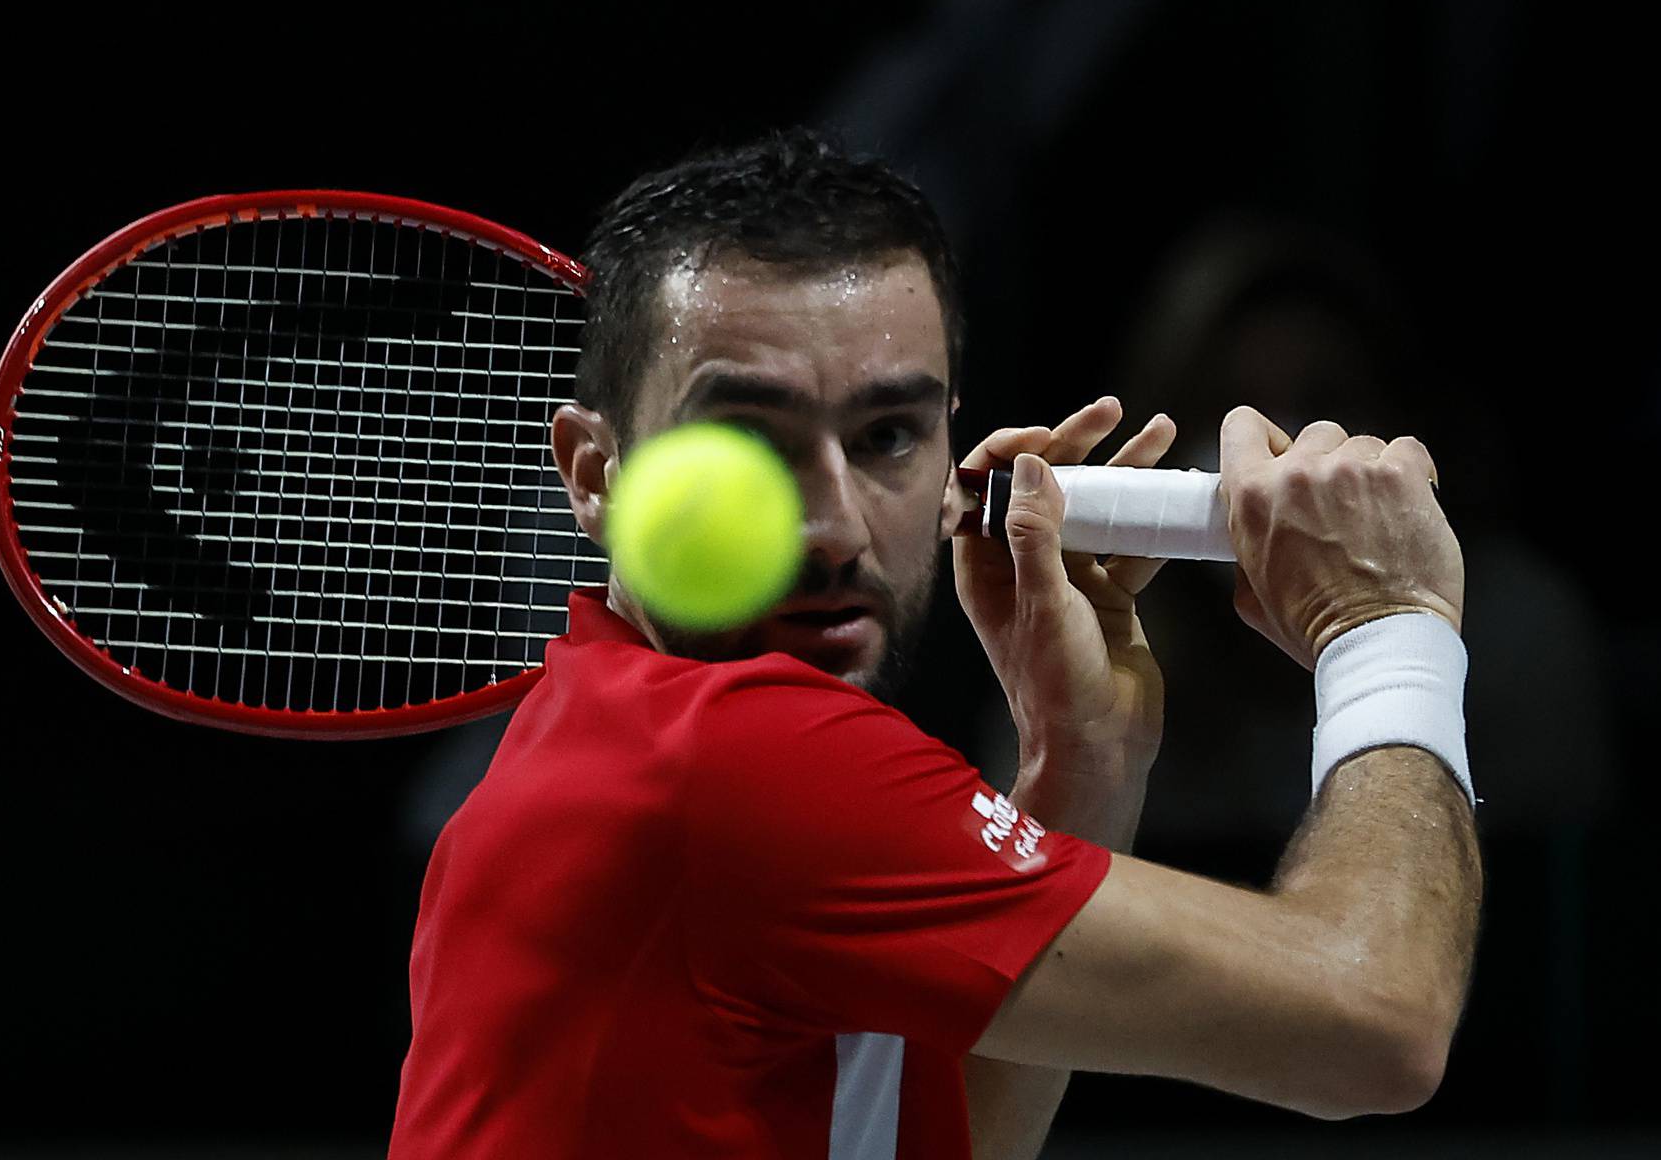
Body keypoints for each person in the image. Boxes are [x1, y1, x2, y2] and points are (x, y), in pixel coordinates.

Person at [386, 130, 1481, 1159]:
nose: (834, 526)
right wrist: (1385, 630)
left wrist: (1081, 760)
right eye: (745, 443)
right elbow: (1377, 1019)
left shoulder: (605, 732)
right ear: (593, 473)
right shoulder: (734, 757)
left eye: (888, 436)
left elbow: (941, 1136)